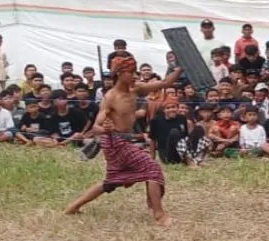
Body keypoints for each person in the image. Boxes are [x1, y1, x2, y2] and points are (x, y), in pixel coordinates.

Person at [64, 57, 182, 223]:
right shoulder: (111, 97)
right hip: (113, 141)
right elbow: (96, 126)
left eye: (136, 72)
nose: (135, 76)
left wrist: (181, 67)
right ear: (119, 74)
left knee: (111, 182)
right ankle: (159, 214)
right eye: (131, 72)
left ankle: (73, 207)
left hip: (124, 141)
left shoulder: (136, 88)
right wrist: (104, 128)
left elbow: (166, 83)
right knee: (152, 167)